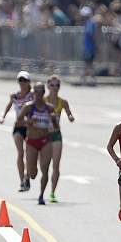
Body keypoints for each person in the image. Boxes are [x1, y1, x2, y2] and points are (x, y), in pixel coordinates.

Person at [16, 82, 56, 205]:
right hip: (32, 141)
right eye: (36, 91)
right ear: (33, 93)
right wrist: (28, 122)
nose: (38, 94)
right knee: (33, 173)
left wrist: (54, 121)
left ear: (44, 93)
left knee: (45, 168)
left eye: (41, 91)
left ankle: (41, 195)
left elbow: (55, 126)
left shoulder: (49, 108)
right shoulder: (28, 107)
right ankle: (28, 176)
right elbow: (18, 122)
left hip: (45, 141)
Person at [0, 70, 33, 192]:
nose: (22, 83)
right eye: (20, 80)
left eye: (24, 80)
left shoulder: (33, 95)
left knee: (29, 154)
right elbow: (8, 106)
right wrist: (3, 117)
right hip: (18, 127)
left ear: (29, 82)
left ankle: (27, 176)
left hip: (30, 128)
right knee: (20, 153)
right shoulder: (14, 96)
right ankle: (22, 181)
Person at [45, 74, 75, 203]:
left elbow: (69, 114)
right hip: (44, 136)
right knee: (44, 165)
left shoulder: (62, 102)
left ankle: (52, 192)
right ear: (48, 86)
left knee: (56, 165)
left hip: (56, 136)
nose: (55, 88)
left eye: (57, 85)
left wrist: (70, 117)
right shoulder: (42, 100)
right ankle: (42, 188)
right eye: (52, 85)